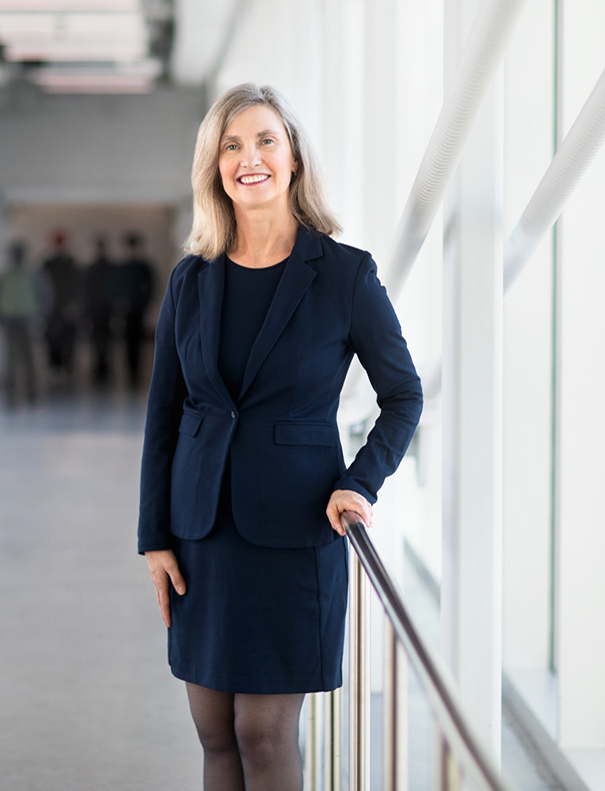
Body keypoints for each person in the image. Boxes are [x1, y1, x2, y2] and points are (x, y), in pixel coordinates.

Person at [137, 84, 422, 790]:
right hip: (202, 535)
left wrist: (360, 481)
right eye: (230, 145)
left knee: (263, 734)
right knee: (214, 735)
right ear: (215, 168)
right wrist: (154, 536)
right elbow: (164, 413)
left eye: (265, 140)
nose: (249, 158)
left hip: (293, 536)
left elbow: (403, 394)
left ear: (293, 157)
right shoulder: (191, 280)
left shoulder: (344, 275)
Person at [0, 241, 43, 408]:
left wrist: (39, 316)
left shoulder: (33, 275)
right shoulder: (3, 276)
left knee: (29, 359)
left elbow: (44, 297)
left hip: (28, 320)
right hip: (9, 320)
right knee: (10, 360)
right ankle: (11, 395)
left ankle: (32, 394)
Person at [109, 232, 154, 388]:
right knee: (127, 340)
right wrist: (119, 304)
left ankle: (136, 370)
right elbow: (117, 288)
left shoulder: (144, 267)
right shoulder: (122, 268)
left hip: (138, 308)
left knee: (138, 340)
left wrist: (144, 304)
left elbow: (149, 289)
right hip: (125, 309)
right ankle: (129, 370)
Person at [41, 230, 81, 378]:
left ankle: (68, 366)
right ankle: (55, 366)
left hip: (68, 308)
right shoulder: (47, 264)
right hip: (52, 308)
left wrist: (75, 305)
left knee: (69, 339)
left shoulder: (72, 263)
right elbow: (42, 287)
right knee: (52, 339)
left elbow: (77, 285)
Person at [85, 237, 115, 385]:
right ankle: (100, 365)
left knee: (104, 339)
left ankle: (103, 366)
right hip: (98, 308)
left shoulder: (105, 268)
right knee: (98, 338)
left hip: (104, 308)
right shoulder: (96, 268)